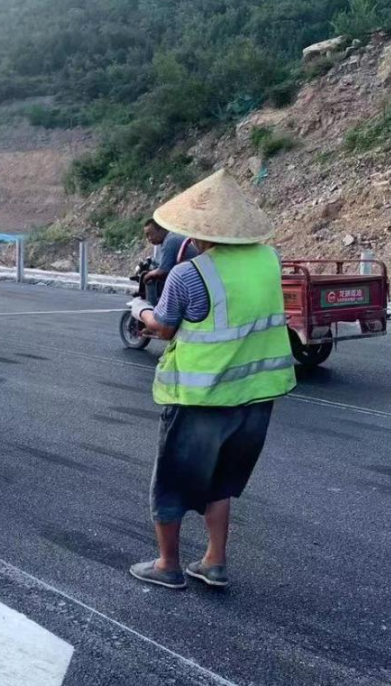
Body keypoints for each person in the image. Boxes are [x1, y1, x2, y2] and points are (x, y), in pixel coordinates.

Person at [126, 170, 296, 590]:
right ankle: (213, 561)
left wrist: (138, 311)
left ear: (193, 232)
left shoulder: (190, 274)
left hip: (202, 397)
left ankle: (168, 565)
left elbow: (164, 326)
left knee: (172, 481)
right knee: (221, 480)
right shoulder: (268, 260)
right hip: (257, 396)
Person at [142, 218, 197, 304]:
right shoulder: (168, 239)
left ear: (161, 230)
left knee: (149, 279)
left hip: (189, 279)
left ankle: (152, 310)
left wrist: (148, 275)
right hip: (190, 274)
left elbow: (163, 271)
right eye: (146, 236)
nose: (149, 238)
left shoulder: (170, 241)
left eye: (150, 234)